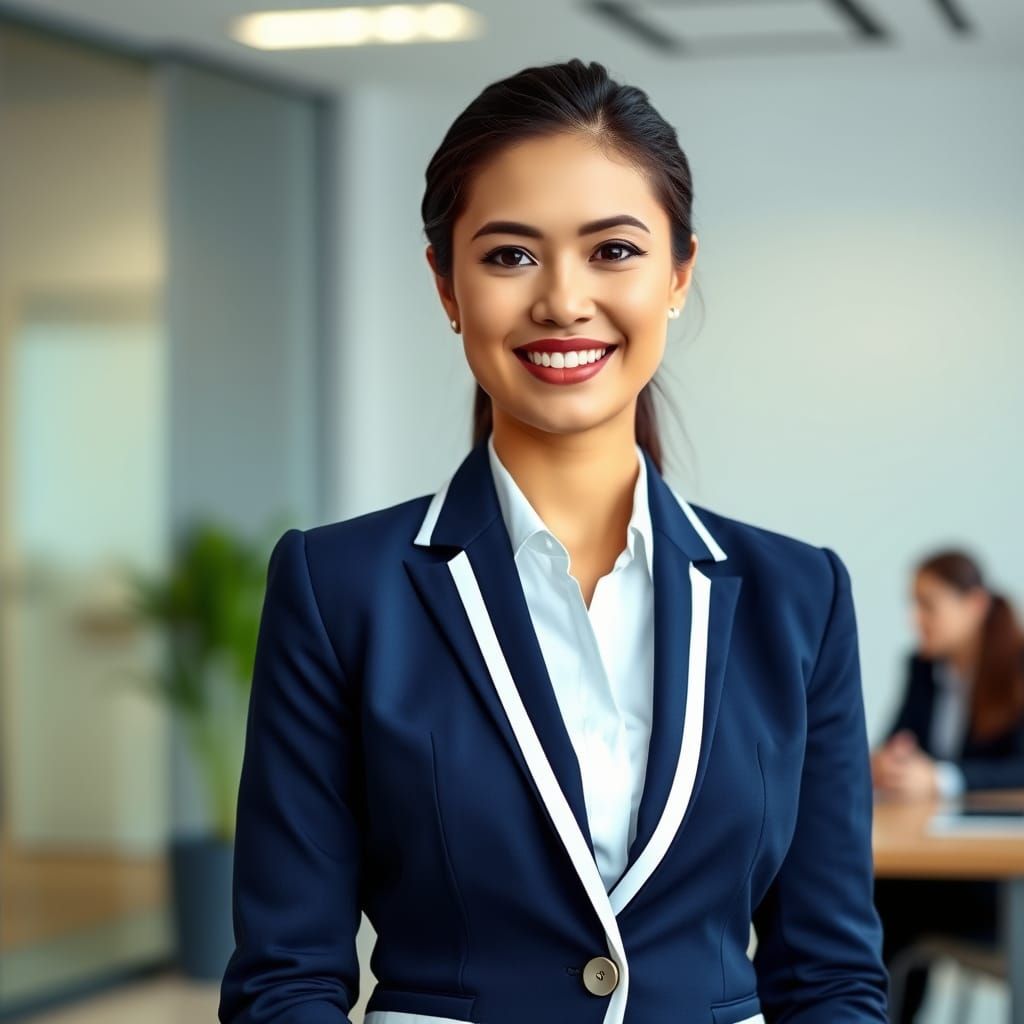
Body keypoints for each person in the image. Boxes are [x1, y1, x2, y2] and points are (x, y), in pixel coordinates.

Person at [218, 58, 888, 1024]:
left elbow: (829, 978)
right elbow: (286, 977)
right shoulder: (338, 588)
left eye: (613, 250)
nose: (563, 301)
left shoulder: (800, 597)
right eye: (509, 256)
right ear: (446, 285)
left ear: (678, 274)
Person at [872, 548, 1024, 1023]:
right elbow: (898, 741)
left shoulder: (1016, 670)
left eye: (928, 604)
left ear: (974, 604)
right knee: (873, 897)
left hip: (995, 881)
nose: (917, 619)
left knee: (886, 906)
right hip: (933, 867)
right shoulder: (922, 669)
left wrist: (940, 777)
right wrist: (889, 764)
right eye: (913, 605)